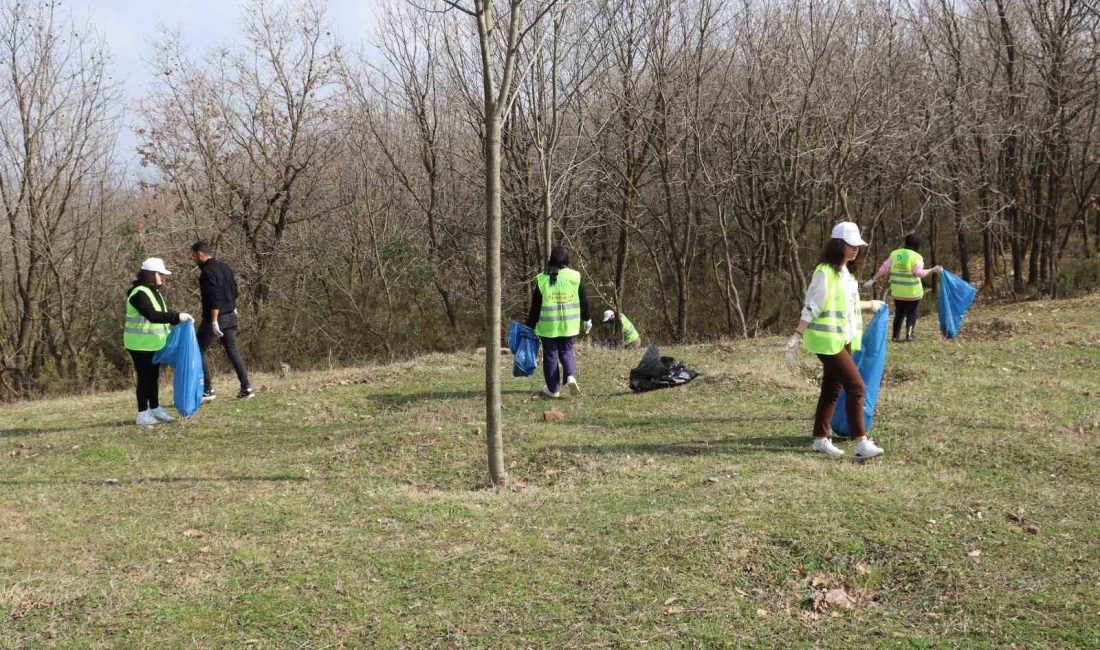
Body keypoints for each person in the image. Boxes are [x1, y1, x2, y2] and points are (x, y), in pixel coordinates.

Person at [785, 223, 887, 459]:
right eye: (852, 245)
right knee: (857, 386)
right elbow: (812, 306)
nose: (856, 250)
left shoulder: (846, 275)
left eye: (858, 246)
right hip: (827, 342)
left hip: (842, 339)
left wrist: (872, 305)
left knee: (832, 388)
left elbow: (847, 306)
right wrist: (797, 335)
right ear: (839, 244)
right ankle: (861, 443)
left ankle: (820, 439)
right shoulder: (825, 272)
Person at [124, 258, 193, 426]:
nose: (162, 277)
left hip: (153, 344)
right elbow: (153, 316)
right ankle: (142, 413)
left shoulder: (153, 292)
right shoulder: (139, 293)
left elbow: (162, 312)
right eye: (160, 274)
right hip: (139, 345)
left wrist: (179, 315)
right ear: (152, 274)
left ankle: (154, 408)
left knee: (153, 377)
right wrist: (177, 317)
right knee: (145, 378)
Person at [525, 245, 591, 398]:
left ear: (551, 262)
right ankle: (570, 376)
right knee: (567, 351)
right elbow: (584, 300)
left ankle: (553, 389)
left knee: (550, 355)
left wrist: (530, 324)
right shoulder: (575, 276)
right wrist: (586, 318)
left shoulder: (542, 279)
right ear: (566, 260)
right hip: (569, 325)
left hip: (548, 326)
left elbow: (536, 306)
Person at [191, 241, 254, 401]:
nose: (192, 259)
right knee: (233, 350)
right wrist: (233, 308)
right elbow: (235, 291)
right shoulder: (225, 267)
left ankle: (208, 390)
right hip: (231, 315)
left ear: (199, 254)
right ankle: (246, 388)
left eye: (193, 255)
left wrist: (213, 321)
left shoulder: (206, 272)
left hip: (216, 317)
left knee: (198, 349)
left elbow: (215, 296)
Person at [863, 234, 943, 342]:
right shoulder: (917, 257)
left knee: (899, 313)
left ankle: (895, 336)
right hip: (913, 292)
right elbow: (919, 273)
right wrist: (933, 270)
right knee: (912, 312)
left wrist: (873, 280)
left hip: (898, 292)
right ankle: (909, 334)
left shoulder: (895, 254)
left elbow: (883, 269)